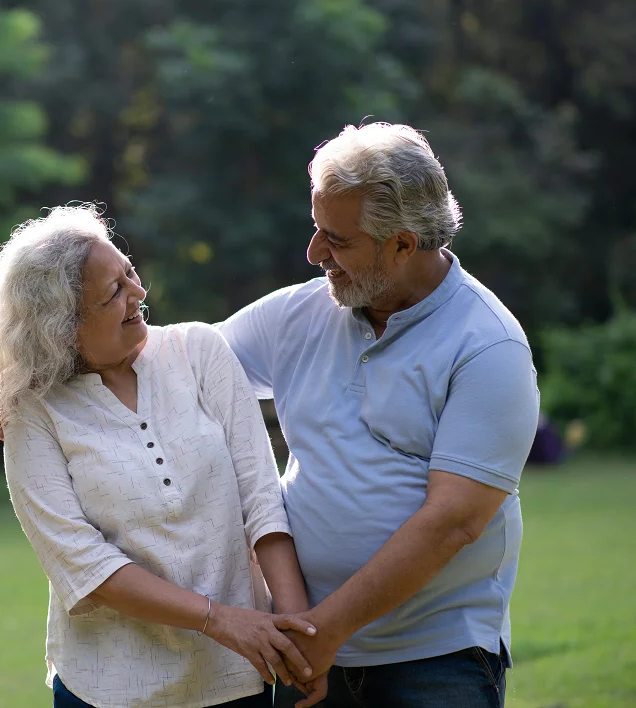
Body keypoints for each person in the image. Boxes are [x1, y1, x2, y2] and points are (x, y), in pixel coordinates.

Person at [218, 123, 540, 707]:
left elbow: (453, 523)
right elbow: (176, 371)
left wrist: (323, 633)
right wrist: (37, 386)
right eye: (316, 229)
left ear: (402, 245)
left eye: (336, 240)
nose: (315, 254)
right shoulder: (299, 314)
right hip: (304, 646)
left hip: (436, 658)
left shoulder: (488, 345)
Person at [0, 205, 318, 708]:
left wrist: (297, 633)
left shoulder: (201, 351)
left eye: (130, 273)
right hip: (106, 691)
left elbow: (262, 500)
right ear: (64, 327)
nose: (138, 294)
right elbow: (87, 567)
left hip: (237, 681)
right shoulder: (31, 413)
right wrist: (219, 618)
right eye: (114, 293)